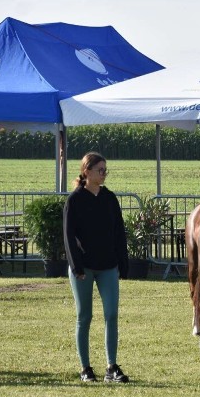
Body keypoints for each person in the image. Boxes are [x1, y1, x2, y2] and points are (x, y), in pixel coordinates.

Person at [63, 152, 130, 383]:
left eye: (105, 170)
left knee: (111, 314)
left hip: (108, 266)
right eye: (100, 170)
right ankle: (85, 368)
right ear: (87, 171)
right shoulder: (75, 200)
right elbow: (69, 236)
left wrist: (124, 262)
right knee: (85, 316)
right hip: (83, 268)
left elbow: (119, 232)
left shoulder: (110, 198)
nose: (104, 174)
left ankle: (111, 367)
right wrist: (76, 265)